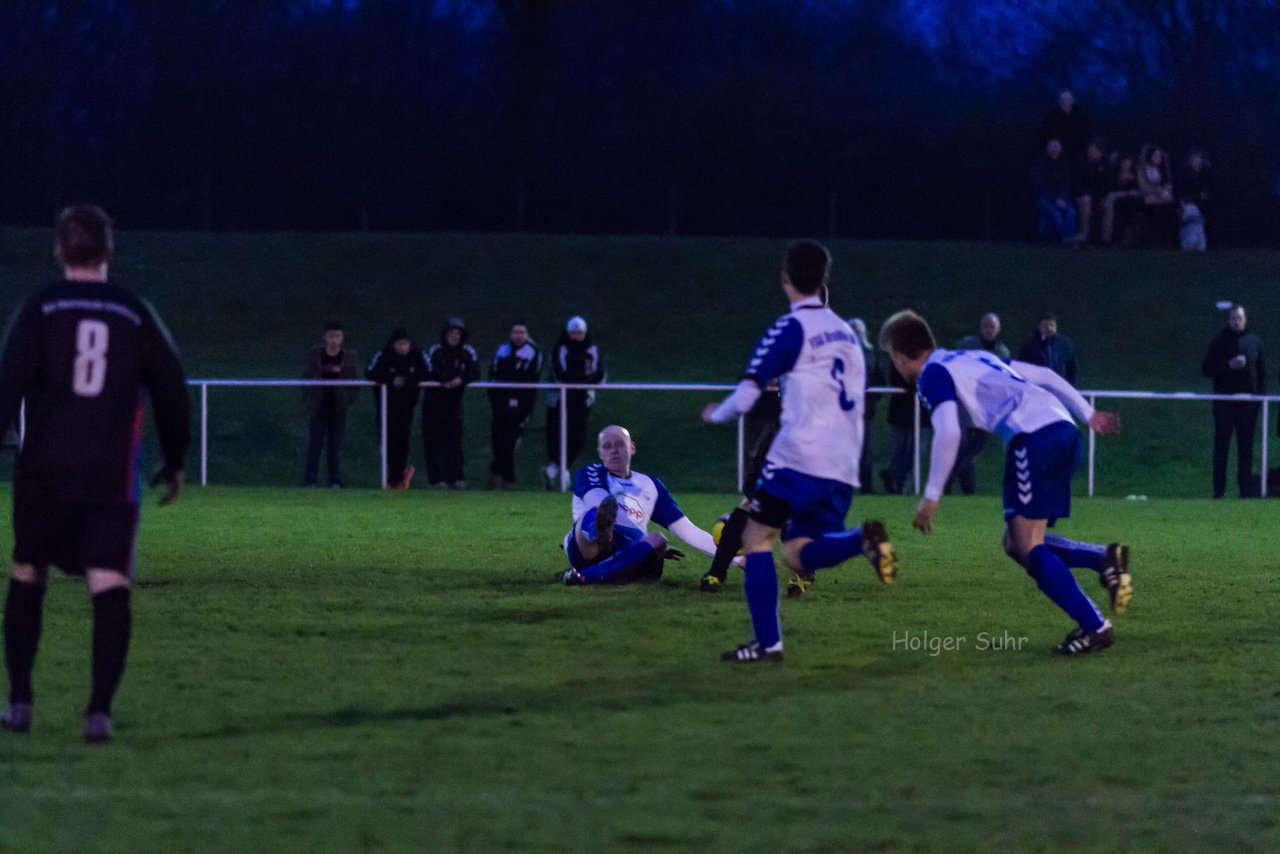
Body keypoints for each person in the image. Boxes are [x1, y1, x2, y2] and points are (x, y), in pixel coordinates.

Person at [0, 204, 189, 742]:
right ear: (110, 251)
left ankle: (19, 704)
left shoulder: (40, 307)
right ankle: (98, 713)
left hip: (42, 473)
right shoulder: (133, 311)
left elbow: (7, 384)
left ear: (59, 250)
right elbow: (173, 389)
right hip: (109, 477)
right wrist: (174, 460)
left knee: (28, 572)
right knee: (108, 584)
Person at [879, 309, 1130, 656]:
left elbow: (949, 431)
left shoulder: (931, 375)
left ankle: (1095, 625)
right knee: (1017, 543)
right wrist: (1087, 414)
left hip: (1034, 439)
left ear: (904, 356)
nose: (895, 366)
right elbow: (1043, 374)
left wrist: (931, 496)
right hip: (1063, 432)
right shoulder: (972, 356)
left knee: (1027, 547)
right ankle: (1103, 559)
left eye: (892, 357)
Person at [702, 239, 894, 663]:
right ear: (824, 279)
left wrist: (717, 415)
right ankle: (862, 540)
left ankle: (768, 643)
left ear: (785, 277)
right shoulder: (847, 333)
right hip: (843, 460)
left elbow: (750, 391)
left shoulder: (791, 327)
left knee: (756, 538)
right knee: (798, 551)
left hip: (798, 455)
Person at [561, 425, 718, 586]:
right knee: (594, 514)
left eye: (619, 444)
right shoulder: (589, 473)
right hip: (588, 548)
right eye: (607, 446)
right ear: (600, 453)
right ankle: (600, 539)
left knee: (658, 539)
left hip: (627, 551)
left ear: (632, 448)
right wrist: (642, 541)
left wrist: (733, 556)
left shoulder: (651, 484)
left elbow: (688, 530)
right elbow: (601, 505)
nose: (614, 450)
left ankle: (582, 576)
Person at [699, 379, 780, 593]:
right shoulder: (772, 440)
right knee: (741, 514)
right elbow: (752, 479)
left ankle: (803, 574)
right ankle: (716, 573)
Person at [1202, 305, 1265, 498]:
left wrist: (1259, 399)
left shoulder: (1254, 342)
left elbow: (1262, 373)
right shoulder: (1220, 341)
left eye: (1239, 318)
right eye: (1233, 318)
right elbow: (1206, 369)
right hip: (1224, 402)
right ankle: (1219, 491)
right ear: (1228, 320)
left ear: (1245, 319)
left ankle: (1245, 491)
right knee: (1221, 446)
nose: (1236, 321)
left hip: (1248, 405)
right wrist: (1228, 365)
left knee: (1246, 448)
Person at [951, 313, 1012, 494]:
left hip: (986, 407)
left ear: (998, 329)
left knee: (976, 447)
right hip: (964, 402)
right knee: (961, 445)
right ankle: (967, 491)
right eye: (985, 325)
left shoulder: (1003, 352)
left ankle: (951, 477)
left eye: (992, 326)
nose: (988, 330)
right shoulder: (967, 345)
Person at [543, 316, 604, 490]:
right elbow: (558, 373)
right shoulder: (560, 348)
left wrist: (583, 385)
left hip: (582, 399)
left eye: (580, 333)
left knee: (578, 438)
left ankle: (554, 470)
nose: (576, 336)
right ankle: (558, 471)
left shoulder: (592, 348)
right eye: (573, 332)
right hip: (560, 398)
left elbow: (599, 373)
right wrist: (575, 382)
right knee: (556, 435)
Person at [366, 327, 430, 489]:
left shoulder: (418, 355)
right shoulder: (383, 355)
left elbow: (429, 372)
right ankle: (388, 477)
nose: (403, 347)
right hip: (386, 407)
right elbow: (370, 372)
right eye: (399, 343)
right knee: (388, 441)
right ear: (393, 344)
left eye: (405, 344)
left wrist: (409, 380)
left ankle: (399, 477)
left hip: (406, 408)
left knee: (403, 442)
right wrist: (391, 380)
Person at [423, 317, 480, 489]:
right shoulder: (436, 350)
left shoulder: (468, 351)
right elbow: (430, 369)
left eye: (458, 333)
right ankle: (437, 479)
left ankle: (456, 478)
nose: (455, 337)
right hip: (435, 401)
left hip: (455, 402)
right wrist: (444, 380)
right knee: (435, 440)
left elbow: (475, 371)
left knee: (454, 440)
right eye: (451, 333)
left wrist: (460, 380)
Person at [302, 322, 359, 488]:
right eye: (331, 336)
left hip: (338, 407)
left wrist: (347, 400)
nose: (334, 340)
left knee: (335, 446)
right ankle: (310, 479)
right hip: (319, 407)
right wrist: (310, 396)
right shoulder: (316, 355)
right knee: (315, 444)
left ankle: (334, 480)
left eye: (337, 336)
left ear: (342, 338)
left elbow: (354, 381)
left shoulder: (349, 357)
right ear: (325, 337)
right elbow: (305, 376)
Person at [487, 322, 543, 490]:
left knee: (510, 443)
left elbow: (532, 379)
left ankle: (506, 479)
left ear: (527, 334)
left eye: (522, 332)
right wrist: (494, 396)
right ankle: (498, 476)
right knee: (498, 441)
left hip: (520, 405)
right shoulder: (503, 350)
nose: (518, 335)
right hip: (501, 403)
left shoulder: (534, 352)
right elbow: (494, 374)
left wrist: (525, 406)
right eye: (515, 332)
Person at [850, 318, 885, 494]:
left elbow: (879, 378)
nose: (857, 333)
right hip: (843, 410)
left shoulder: (872, 353)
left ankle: (866, 486)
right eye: (853, 329)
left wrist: (872, 398)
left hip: (865, 410)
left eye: (859, 330)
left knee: (865, 450)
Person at [1032, 138, 1079, 244]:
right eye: (1052, 147)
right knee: (1056, 213)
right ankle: (1062, 239)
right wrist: (1054, 199)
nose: (1055, 149)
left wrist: (1062, 198)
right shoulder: (1040, 164)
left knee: (1071, 211)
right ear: (1047, 148)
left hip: (1062, 199)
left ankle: (1068, 238)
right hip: (1045, 198)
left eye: (1057, 146)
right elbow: (1040, 186)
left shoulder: (1064, 164)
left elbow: (1066, 185)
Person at [1017, 313, 1078, 386]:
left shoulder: (1065, 344)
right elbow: (1023, 365)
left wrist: (1070, 386)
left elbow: (1072, 367)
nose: (1049, 328)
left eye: (1052, 325)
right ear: (1039, 326)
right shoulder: (1029, 344)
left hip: (1059, 385)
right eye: (1045, 326)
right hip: (1037, 386)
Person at [1039, 88, 1092, 168]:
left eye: (1068, 99)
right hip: (1058, 154)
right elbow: (1045, 134)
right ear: (1059, 101)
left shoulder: (1080, 115)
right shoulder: (1052, 116)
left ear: (1072, 100)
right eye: (1063, 99)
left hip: (1077, 153)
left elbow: (1087, 133)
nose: (1065, 101)